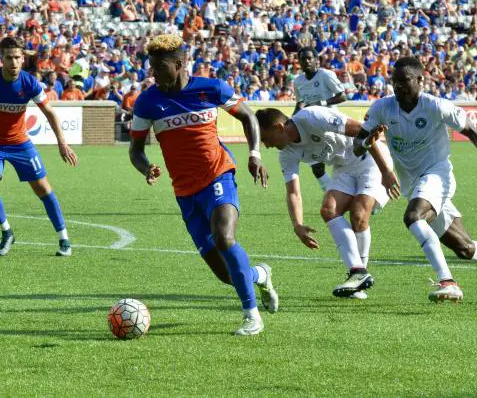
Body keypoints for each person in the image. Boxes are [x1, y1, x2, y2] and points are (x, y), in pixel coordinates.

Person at [354, 57, 477, 302]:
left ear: (421, 80)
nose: (398, 87)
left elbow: (472, 131)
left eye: (405, 81)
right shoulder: (382, 108)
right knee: (465, 248)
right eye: (395, 82)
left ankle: (448, 281)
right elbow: (357, 146)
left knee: (413, 217)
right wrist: (367, 139)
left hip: (437, 175)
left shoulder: (436, 106)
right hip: (413, 185)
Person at [129, 34, 278, 336]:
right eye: (152, 68)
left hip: (218, 175)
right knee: (226, 275)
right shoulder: (147, 102)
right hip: (184, 191)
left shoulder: (211, 88)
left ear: (179, 64)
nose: (154, 75)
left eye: (160, 68)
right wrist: (147, 167)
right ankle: (259, 274)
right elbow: (135, 150)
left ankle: (252, 316)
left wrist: (254, 154)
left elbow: (248, 116)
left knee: (224, 238)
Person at [0, 37, 79, 257]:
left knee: (43, 188)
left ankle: (64, 239)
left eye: (17, 57)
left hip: (20, 144)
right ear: (1, 59)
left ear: (23, 58)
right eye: (9, 58)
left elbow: (49, 112)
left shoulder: (29, 83)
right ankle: (7, 232)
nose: (14, 62)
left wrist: (62, 143)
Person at [256, 107, 390, 299]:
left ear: (278, 127)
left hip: (369, 159)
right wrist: (297, 225)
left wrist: (385, 170)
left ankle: (359, 275)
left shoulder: (311, 117)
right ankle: (358, 273)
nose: (266, 145)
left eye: (265, 138)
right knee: (329, 209)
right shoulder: (286, 153)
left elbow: (362, 130)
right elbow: (293, 192)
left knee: (359, 215)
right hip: (343, 169)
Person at [293, 47, 349, 192]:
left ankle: (363, 192)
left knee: (344, 162)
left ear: (316, 60)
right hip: (312, 126)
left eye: (309, 58)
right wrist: (292, 119)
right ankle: (330, 191)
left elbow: (342, 96)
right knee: (315, 164)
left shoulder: (325, 74)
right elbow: (300, 102)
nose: (306, 61)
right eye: (302, 59)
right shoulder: (298, 81)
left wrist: (320, 104)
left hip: (332, 124)